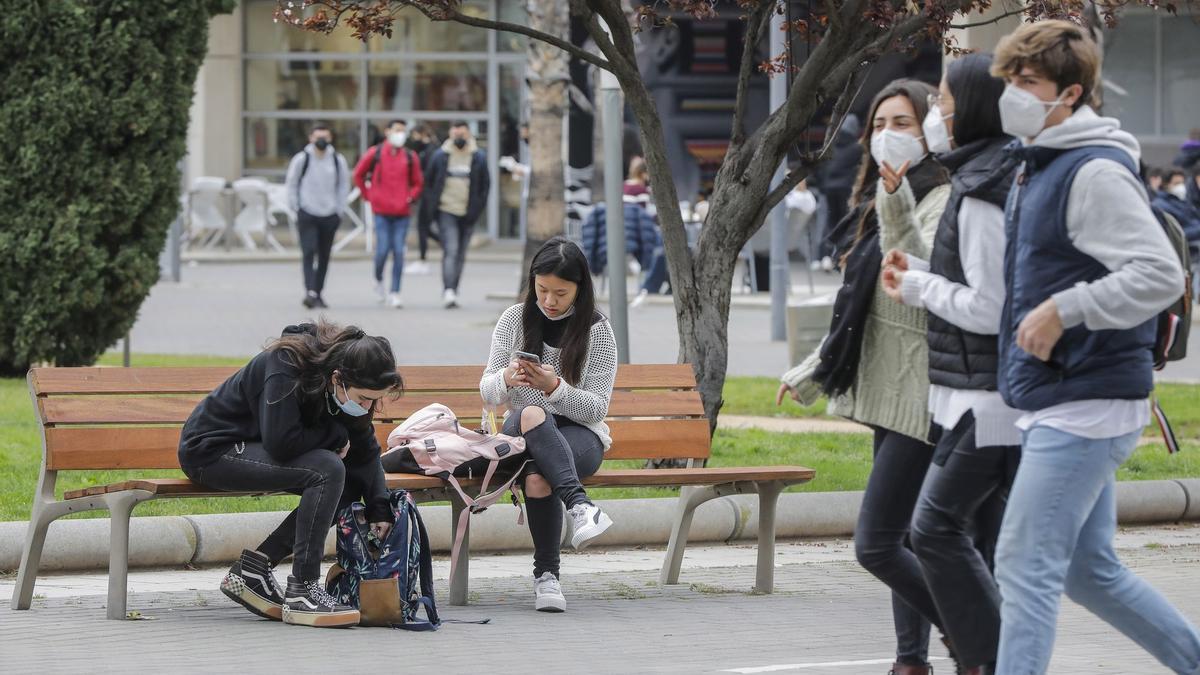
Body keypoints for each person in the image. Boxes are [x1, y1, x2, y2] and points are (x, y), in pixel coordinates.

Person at [988, 20, 1200, 674]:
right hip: (1071, 393)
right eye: (1009, 80)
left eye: (1029, 82)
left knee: (1024, 565)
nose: (1013, 93)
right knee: (1089, 570)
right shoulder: (1042, 162)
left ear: (1071, 94)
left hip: (1085, 400)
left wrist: (1065, 309)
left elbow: (1162, 274)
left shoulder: (1091, 171)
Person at [778, 79, 951, 675]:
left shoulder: (943, 197)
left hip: (925, 393)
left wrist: (896, 200)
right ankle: (911, 661)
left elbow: (917, 280)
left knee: (877, 543)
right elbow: (863, 308)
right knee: (903, 540)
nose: (887, 135)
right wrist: (810, 371)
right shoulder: (886, 194)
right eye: (879, 124)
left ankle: (975, 628)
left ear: (931, 130)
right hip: (888, 394)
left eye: (902, 123)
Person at [878, 53, 1022, 675]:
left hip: (988, 400)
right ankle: (985, 655)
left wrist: (921, 289)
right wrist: (929, 274)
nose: (936, 115)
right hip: (970, 396)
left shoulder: (982, 192)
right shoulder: (979, 177)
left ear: (972, 109)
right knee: (953, 534)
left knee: (934, 531)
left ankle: (992, 657)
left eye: (941, 104)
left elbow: (991, 307)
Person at [178, 321, 403, 628]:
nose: (366, 407)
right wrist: (336, 436)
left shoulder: (346, 386)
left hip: (258, 449)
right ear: (337, 378)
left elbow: (365, 448)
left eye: (373, 401)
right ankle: (303, 590)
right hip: (213, 450)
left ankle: (253, 571)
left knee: (346, 482)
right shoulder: (286, 363)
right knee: (328, 469)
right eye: (363, 399)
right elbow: (281, 441)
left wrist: (379, 507)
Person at [480, 236, 618, 613]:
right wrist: (507, 379)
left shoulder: (597, 332)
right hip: (518, 435)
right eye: (542, 289)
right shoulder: (514, 319)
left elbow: (596, 408)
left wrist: (554, 388)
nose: (549, 301)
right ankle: (580, 506)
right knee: (530, 414)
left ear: (580, 289)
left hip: (579, 436)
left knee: (539, 478)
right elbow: (487, 393)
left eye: (561, 292)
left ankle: (547, 578)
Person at [354, 119, 424, 309]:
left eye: (403, 131)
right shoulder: (375, 153)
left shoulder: (410, 156)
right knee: (383, 249)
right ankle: (378, 279)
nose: (400, 134)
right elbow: (358, 174)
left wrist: (411, 197)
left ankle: (395, 292)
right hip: (382, 211)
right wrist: (368, 196)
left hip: (402, 212)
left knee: (399, 252)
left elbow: (418, 182)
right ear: (387, 132)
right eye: (396, 130)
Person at [422, 121, 490, 309]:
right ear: (451, 135)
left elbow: (485, 186)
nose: (459, 138)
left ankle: (454, 288)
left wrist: (477, 209)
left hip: (468, 213)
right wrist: (432, 208)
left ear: (468, 134)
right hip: (446, 211)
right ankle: (448, 290)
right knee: (451, 250)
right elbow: (429, 183)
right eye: (456, 135)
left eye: (462, 134)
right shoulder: (440, 156)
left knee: (461, 253)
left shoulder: (479, 157)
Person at [285, 124, 351, 309]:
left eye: (325, 137)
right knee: (308, 251)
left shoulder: (338, 160)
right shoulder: (302, 159)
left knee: (324, 255)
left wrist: (339, 209)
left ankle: (318, 293)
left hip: (329, 214)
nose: (321, 140)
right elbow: (292, 183)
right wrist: (296, 207)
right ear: (310, 138)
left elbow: (343, 185)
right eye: (318, 136)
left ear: (330, 139)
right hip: (307, 212)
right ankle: (309, 292)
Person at [813, 113, 863, 271]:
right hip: (847, 190)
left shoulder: (831, 146)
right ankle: (840, 258)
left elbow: (819, 168)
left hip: (828, 190)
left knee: (829, 223)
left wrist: (823, 185)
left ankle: (824, 256)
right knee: (847, 224)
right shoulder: (857, 148)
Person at [408, 123, 441, 275]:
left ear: (421, 134)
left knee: (423, 227)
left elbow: (429, 174)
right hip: (426, 193)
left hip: (429, 194)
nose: (413, 139)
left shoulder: (432, 150)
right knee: (424, 227)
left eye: (414, 135)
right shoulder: (425, 150)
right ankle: (446, 243)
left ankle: (422, 260)